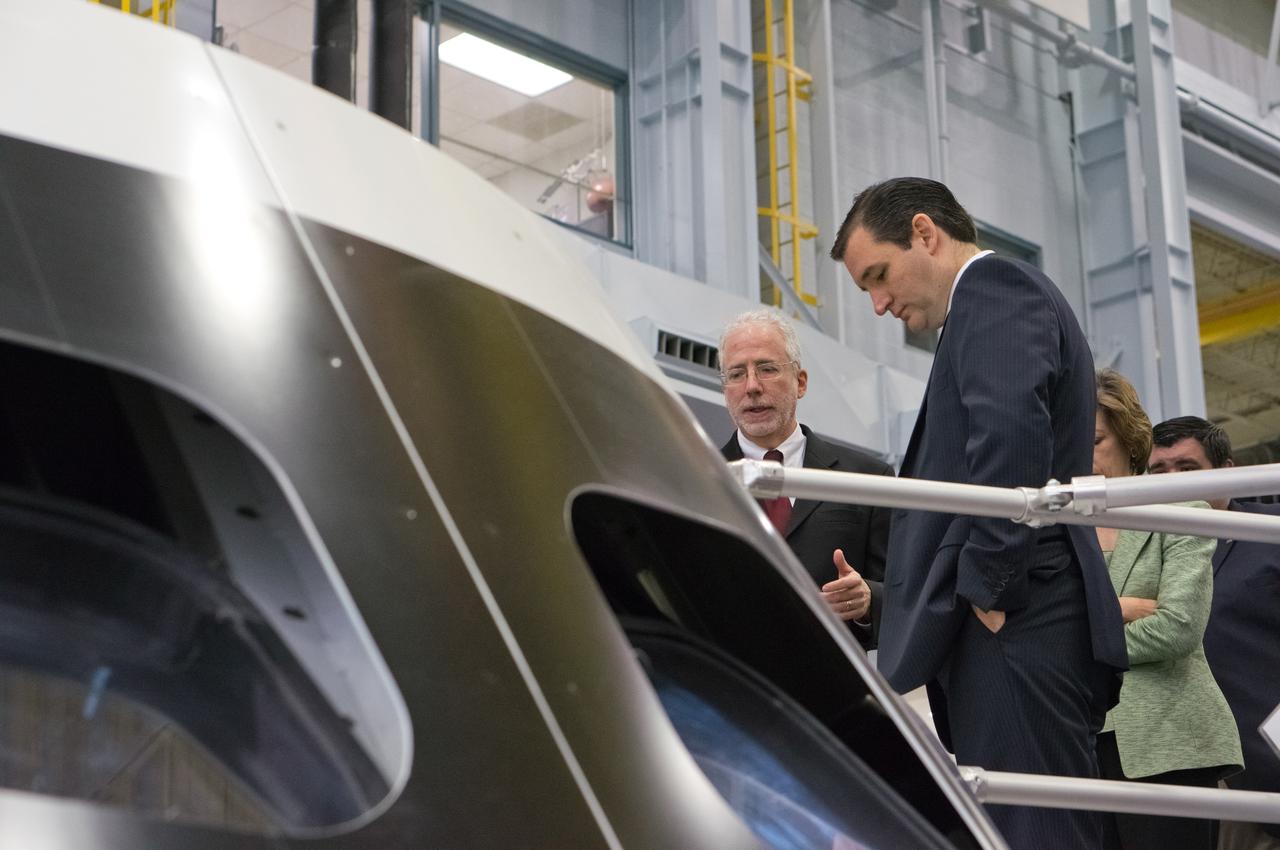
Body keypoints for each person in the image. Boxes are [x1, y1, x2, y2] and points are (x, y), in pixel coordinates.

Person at [829, 177, 1126, 850]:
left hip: (1015, 618)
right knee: (1013, 826)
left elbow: (1011, 438)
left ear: (926, 234)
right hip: (1011, 622)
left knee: (1036, 830)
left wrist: (988, 588)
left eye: (879, 276)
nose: (878, 304)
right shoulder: (982, 310)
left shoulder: (995, 292)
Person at [1092, 371, 1242, 850]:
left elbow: (1177, 628)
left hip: (1171, 744)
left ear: (1129, 439)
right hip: (1079, 745)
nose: (1081, 453)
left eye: (1095, 439)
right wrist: (1125, 610)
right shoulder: (1053, 529)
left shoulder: (1182, 510)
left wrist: (1080, 636)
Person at [718, 309, 894, 648]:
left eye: (767, 369)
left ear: (801, 382)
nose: (752, 387)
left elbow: (903, 595)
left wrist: (868, 600)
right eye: (737, 374)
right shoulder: (699, 478)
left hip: (833, 691)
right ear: (725, 389)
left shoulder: (868, 478)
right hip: (730, 687)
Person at [1149, 416, 1280, 850]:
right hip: (1184, 778)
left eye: (1187, 469)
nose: (1172, 483)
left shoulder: (1270, 530)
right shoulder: (1140, 560)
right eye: (1158, 472)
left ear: (1227, 471)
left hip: (1267, 763)